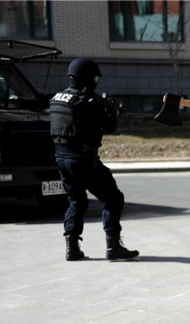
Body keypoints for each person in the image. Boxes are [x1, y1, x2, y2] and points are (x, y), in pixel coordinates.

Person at [49, 57, 139, 262]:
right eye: (96, 77)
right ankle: (114, 246)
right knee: (113, 198)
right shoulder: (88, 102)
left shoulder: (56, 98)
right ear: (90, 78)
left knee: (76, 202)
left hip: (62, 159)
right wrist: (114, 114)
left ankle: (72, 248)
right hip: (83, 159)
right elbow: (109, 126)